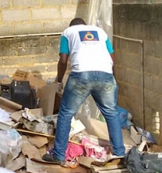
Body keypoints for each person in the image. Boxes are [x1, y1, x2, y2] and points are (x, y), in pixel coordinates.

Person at [42, 17, 126, 165]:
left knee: (66, 113)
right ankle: (119, 153)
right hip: (105, 74)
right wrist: (112, 78)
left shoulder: (68, 32)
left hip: (81, 75)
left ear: (71, 26)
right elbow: (112, 57)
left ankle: (59, 155)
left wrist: (59, 80)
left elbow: (63, 60)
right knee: (111, 113)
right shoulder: (100, 32)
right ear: (85, 26)